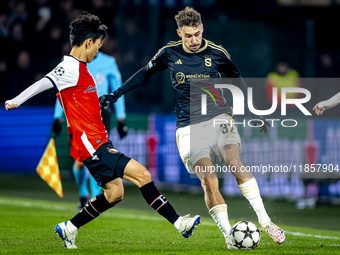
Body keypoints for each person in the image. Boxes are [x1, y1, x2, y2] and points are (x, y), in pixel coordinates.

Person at [5, 12, 200, 249]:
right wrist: (16, 100)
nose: (98, 51)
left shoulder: (81, 68)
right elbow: (43, 82)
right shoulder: (69, 67)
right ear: (88, 43)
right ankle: (180, 223)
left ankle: (69, 227)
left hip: (99, 140)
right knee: (143, 175)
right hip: (90, 144)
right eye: (97, 46)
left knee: (114, 194)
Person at [99, 7, 285, 248]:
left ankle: (266, 221)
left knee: (234, 162)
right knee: (208, 181)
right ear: (179, 33)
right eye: (188, 36)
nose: (194, 40)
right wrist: (116, 94)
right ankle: (229, 236)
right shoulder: (168, 53)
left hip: (219, 117)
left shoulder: (217, 53)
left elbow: (237, 80)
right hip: (188, 127)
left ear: (202, 29)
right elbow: (144, 74)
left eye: (197, 34)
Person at [52, 50, 128, 209]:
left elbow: (117, 89)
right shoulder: (72, 64)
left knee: (97, 157)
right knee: (79, 161)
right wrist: (57, 117)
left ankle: (93, 199)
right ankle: (82, 193)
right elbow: (63, 91)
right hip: (77, 115)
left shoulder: (109, 62)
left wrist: (121, 118)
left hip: (100, 116)